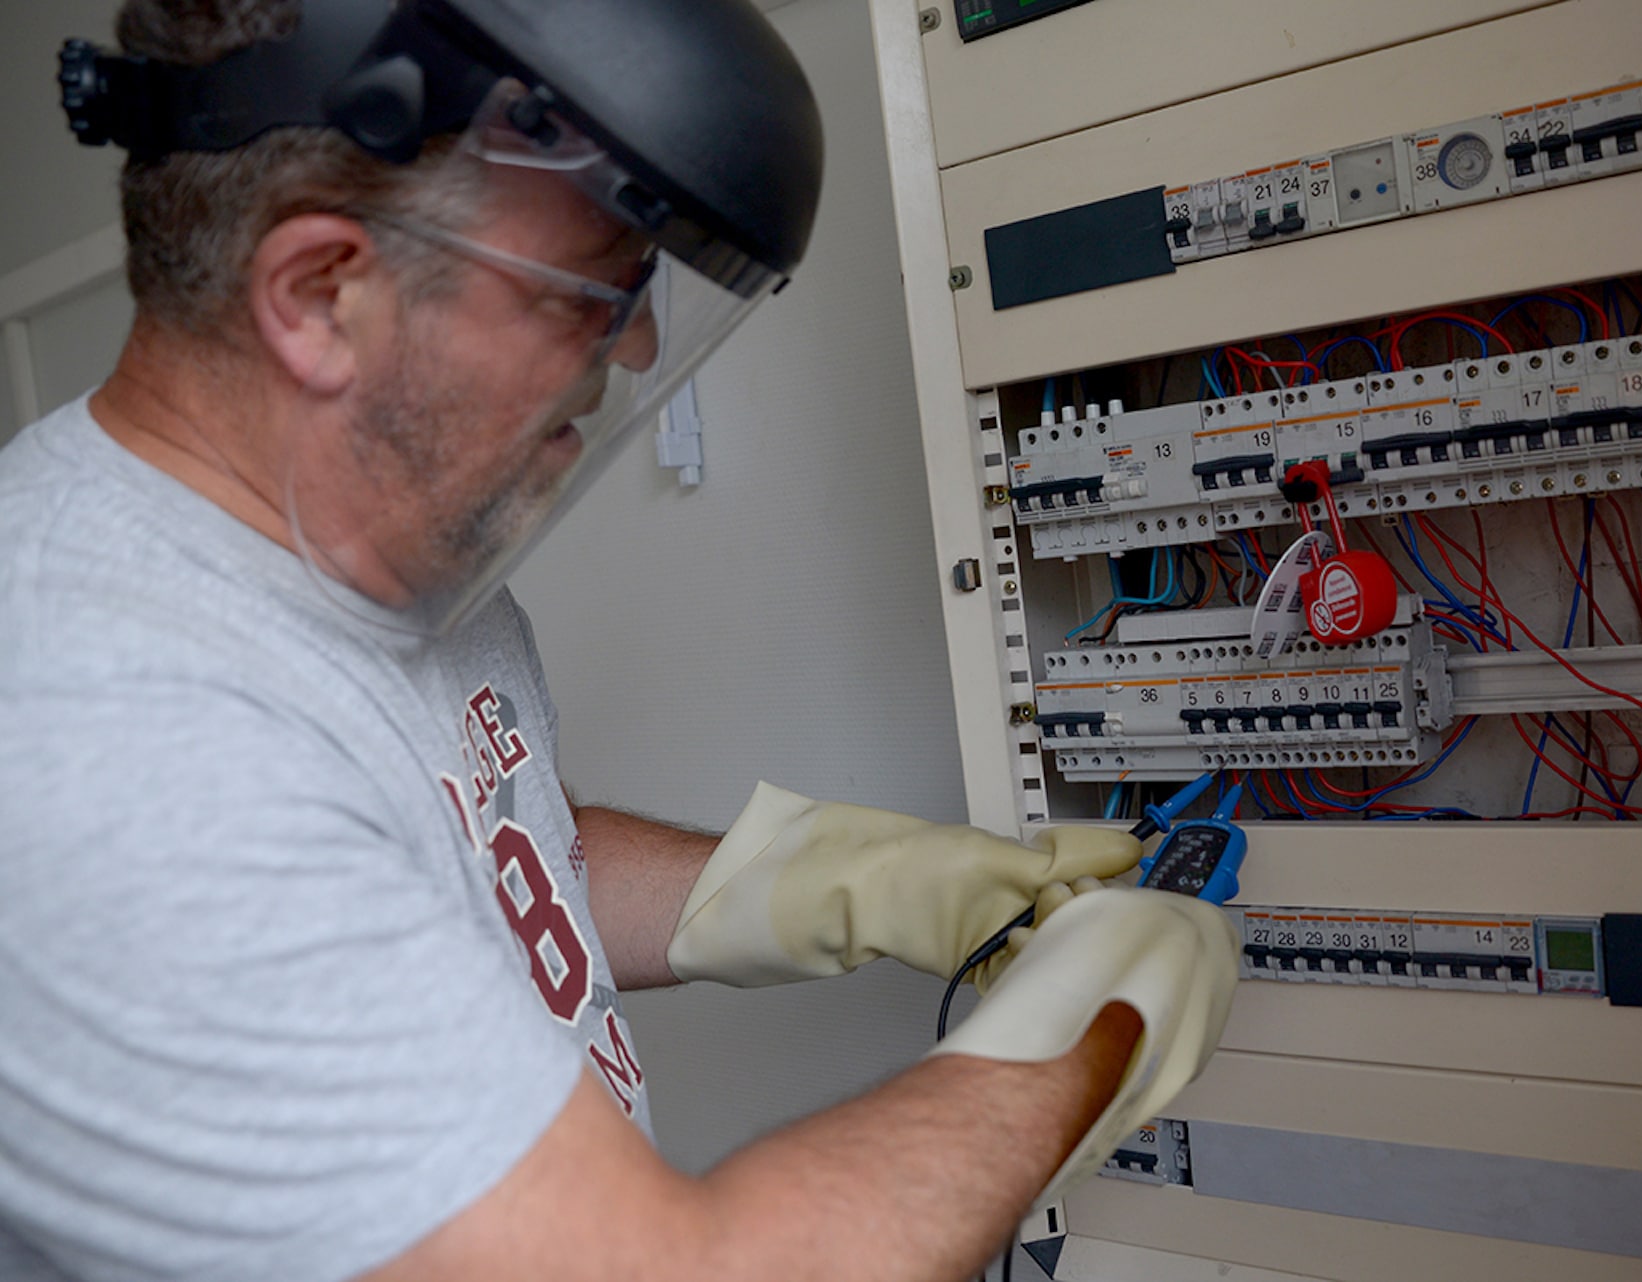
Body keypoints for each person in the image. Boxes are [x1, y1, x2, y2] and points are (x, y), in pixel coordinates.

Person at [0, 2, 1241, 1279]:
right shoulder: (108, 737)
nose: (637, 342)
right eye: (594, 287)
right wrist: (1080, 1039)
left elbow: (480, 852)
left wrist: (852, 879)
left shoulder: (390, 564)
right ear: (322, 294)